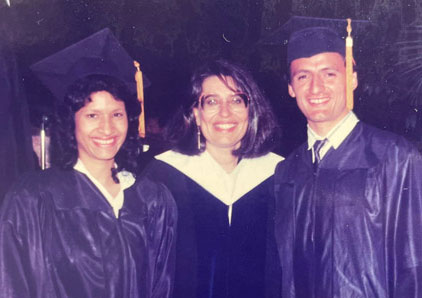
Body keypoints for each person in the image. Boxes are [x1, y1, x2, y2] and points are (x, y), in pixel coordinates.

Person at [0, 29, 176, 298]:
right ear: (71, 122)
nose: (107, 128)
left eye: (117, 113)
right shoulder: (32, 200)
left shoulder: (153, 199)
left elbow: (161, 288)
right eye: (92, 115)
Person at [274, 21, 422, 297]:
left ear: (351, 78)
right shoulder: (287, 172)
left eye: (329, 74)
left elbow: (415, 269)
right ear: (291, 88)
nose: (315, 88)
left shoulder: (396, 158)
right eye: (303, 76)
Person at [142, 59, 283, 298]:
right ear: (196, 114)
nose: (225, 112)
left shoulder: (278, 174)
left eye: (237, 100)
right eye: (212, 101)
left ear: (251, 110)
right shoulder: (162, 177)